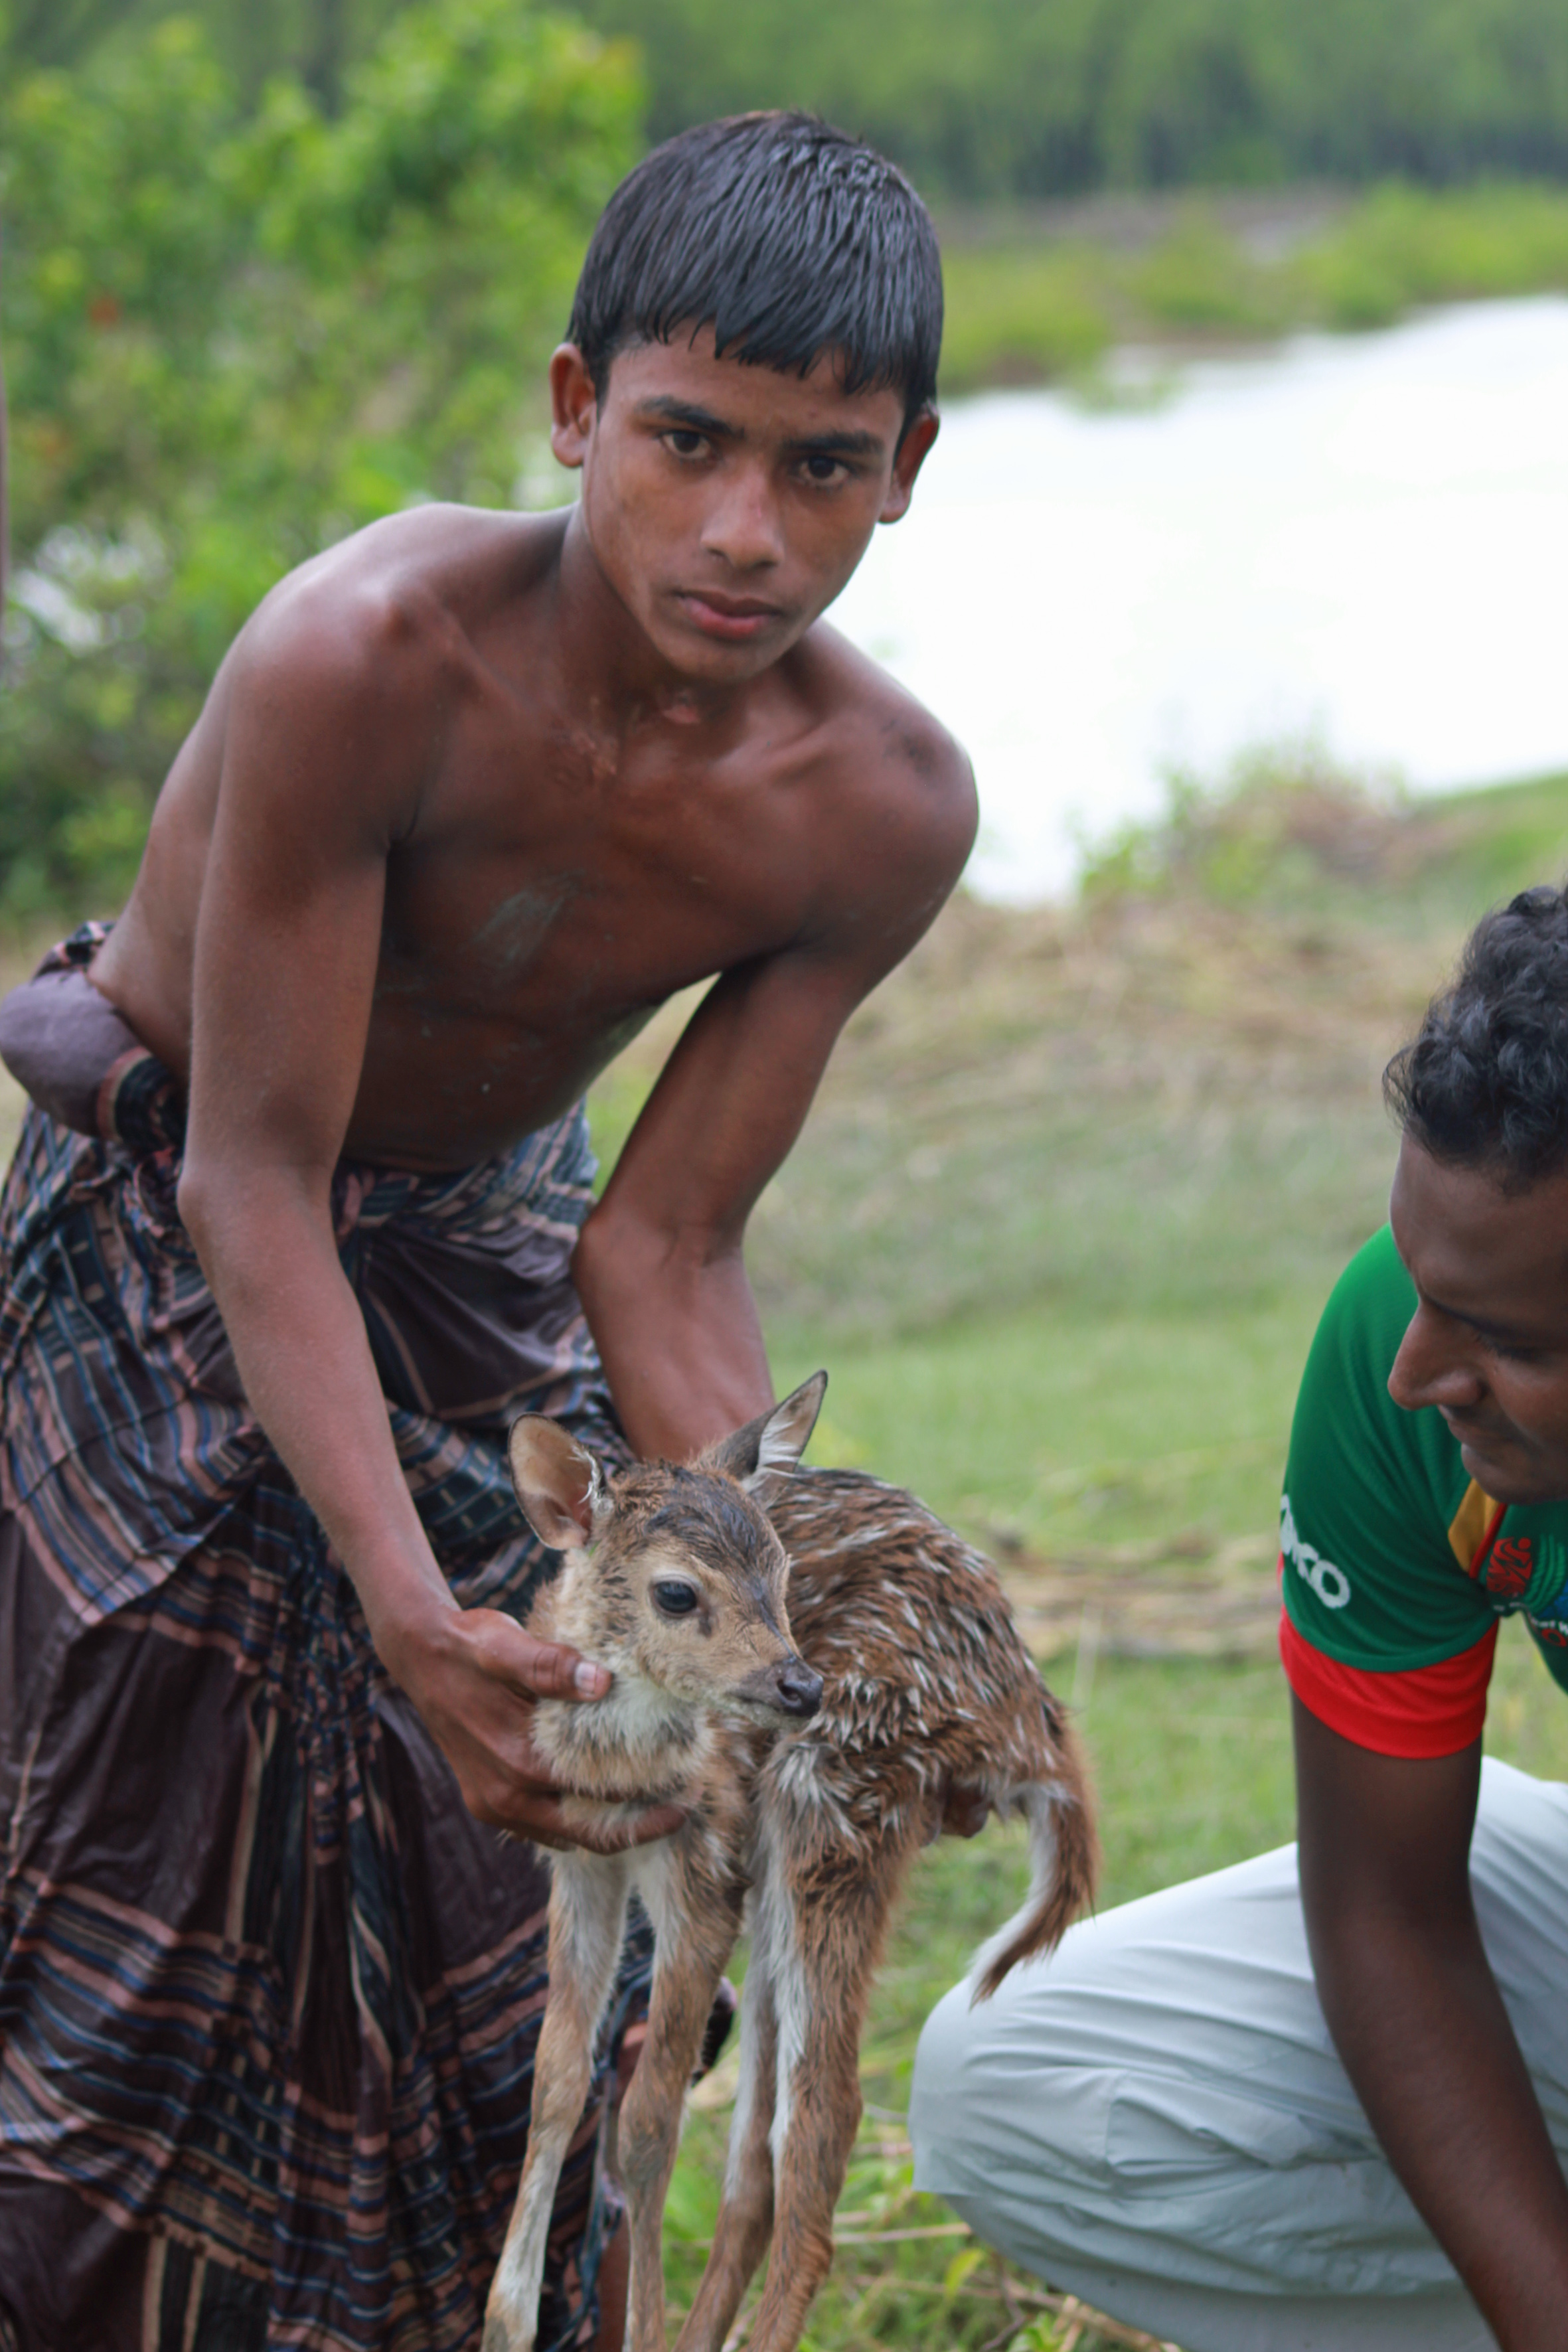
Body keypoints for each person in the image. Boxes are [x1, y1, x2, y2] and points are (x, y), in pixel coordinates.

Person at [0, 112, 975, 2352]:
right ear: (573, 410)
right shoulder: (366, 656)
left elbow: (663, 1251)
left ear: (907, 463)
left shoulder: (877, 808)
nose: (743, 531)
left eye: (820, 466)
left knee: (575, 1893)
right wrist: (404, 1597)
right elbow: (252, 1169)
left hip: (487, 1277)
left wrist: (820, 1616)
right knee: (119, 1915)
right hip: (166, 1247)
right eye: (686, 441)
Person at [912, 885, 1568, 2352]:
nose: (1416, 1369)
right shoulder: (1398, 1363)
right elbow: (1385, 1912)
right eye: (1421, 1285)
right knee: (1010, 2080)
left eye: (1510, 1338)